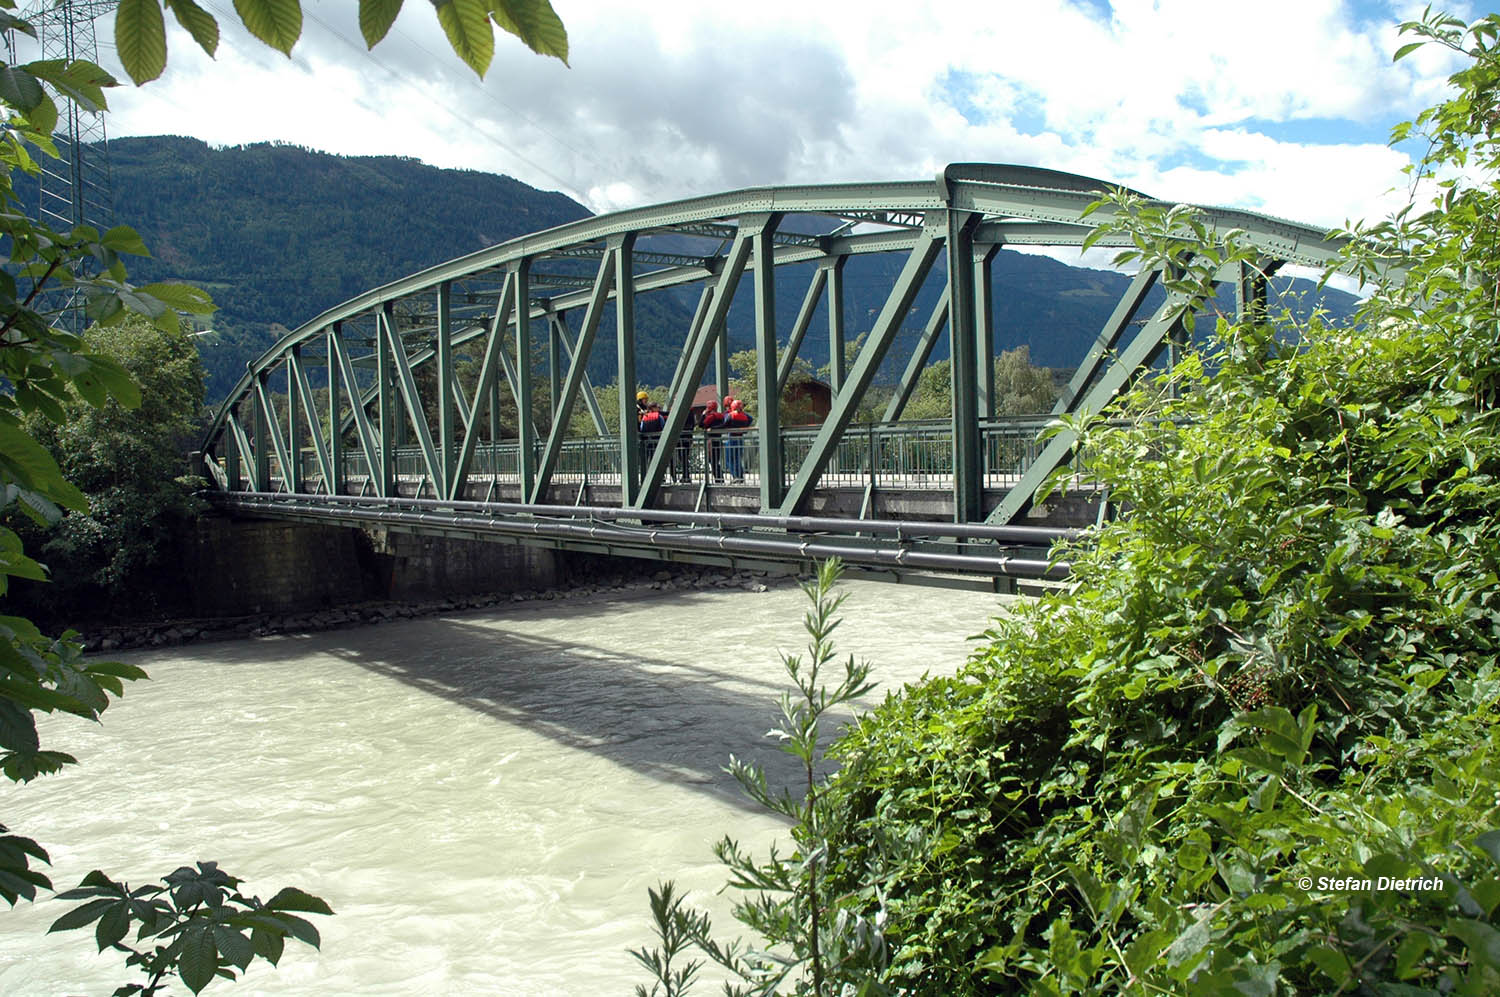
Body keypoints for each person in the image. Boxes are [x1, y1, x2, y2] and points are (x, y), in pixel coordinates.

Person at [723, 398, 752, 481]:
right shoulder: (744, 415)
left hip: (732, 438)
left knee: (729, 460)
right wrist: (745, 427)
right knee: (737, 459)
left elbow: (724, 424)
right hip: (740, 438)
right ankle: (740, 476)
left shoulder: (730, 415)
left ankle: (736, 477)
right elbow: (750, 419)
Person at [699, 399, 724, 482]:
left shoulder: (711, 416)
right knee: (716, 460)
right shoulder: (720, 415)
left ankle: (718, 478)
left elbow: (701, 425)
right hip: (719, 440)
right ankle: (719, 477)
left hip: (711, 441)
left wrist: (703, 415)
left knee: (712, 461)